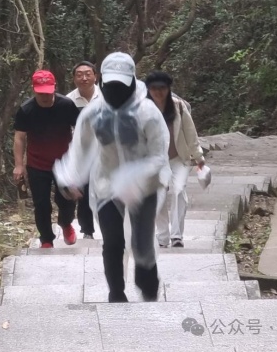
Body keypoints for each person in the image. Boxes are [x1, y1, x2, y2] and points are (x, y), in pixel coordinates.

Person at [54, 53, 171, 303]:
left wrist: (135, 177)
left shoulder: (148, 113)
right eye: (111, 84)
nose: (116, 91)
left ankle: (147, 283)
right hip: (106, 184)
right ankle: (116, 292)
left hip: (144, 186)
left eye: (121, 85)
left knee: (141, 243)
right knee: (113, 241)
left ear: (132, 81)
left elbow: (159, 156)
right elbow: (80, 150)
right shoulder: (94, 114)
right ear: (102, 82)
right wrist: (68, 177)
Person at [13, 70, 80, 248]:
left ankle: (65, 223)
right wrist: (19, 165)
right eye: (41, 92)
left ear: (54, 88)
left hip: (64, 163)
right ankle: (47, 239)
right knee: (41, 203)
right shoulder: (26, 109)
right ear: (33, 89)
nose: (44, 96)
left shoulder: (66, 105)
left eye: (48, 92)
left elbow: (81, 130)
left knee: (67, 199)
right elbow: (19, 138)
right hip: (37, 163)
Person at [145, 71, 205, 248]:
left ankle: (177, 235)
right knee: (159, 196)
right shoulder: (142, 108)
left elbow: (190, 132)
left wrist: (199, 156)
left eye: (162, 88)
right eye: (154, 88)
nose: (158, 92)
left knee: (179, 190)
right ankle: (162, 236)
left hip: (179, 157)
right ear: (148, 89)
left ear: (168, 88)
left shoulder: (178, 106)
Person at [66, 61, 103, 239]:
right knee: (85, 192)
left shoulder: (105, 97)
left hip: (105, 152)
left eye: (88, 74)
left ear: (96, 76)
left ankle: (110, 227)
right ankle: (87, 230)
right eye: (79, 74)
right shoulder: (68, 100)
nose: (84, 78)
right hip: (81, 154)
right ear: (74, 78)